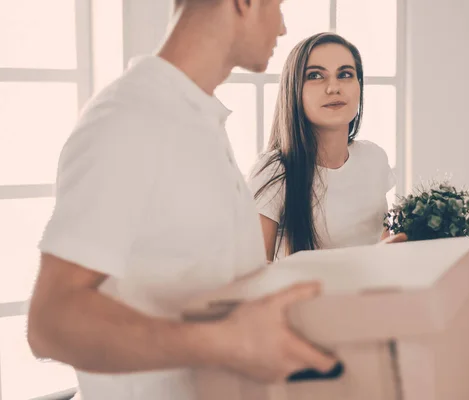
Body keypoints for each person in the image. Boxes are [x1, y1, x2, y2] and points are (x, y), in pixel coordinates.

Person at [26, 1, 338, 399]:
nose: (281, 26)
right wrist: (227, 342)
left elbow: (201, 278)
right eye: (277, 5)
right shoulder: (129, 118)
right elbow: (52, 323)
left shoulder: (197, 121)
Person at [248, 32, 398, 261]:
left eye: (346, 74)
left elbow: (383, 248)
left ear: (359, 86)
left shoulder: (374, 158)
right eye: (316, 75)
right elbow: (253, 274)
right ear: (294, 90)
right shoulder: (274, 171)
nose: (334, 88)